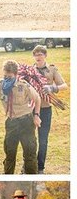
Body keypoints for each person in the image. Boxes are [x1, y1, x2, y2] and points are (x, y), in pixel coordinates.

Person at [0, 60, 41, 174]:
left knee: (30, 154)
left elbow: (37, 98)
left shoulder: (23, 85)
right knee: (10, 154)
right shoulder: (0, 85)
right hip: (11, 123)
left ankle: (31, 175)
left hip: (26, 122)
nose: (7, 78)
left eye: (9, 76)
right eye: (5, 75)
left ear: (16, 75)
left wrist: (36, 116)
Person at [32, 44, 67, 174]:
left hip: (45, 110)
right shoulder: (30, 70)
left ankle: (40, 167)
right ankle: (29, 165)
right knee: (29, 139)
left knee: (43, 139)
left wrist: (52, 88)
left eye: (40, 54)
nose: (38, 57)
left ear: (45, 56)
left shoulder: (51, 69)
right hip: (30, 109)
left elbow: (64, 85)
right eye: (36, 55)